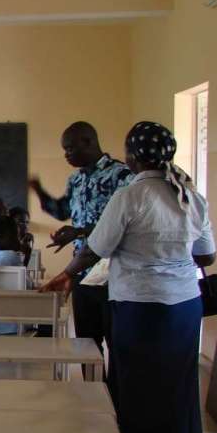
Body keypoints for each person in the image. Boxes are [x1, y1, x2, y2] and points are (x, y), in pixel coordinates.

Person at [41, 121, 216, 433]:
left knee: (133, 385)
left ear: (134, 156)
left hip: (139, 304)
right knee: (178, 384)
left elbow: (96, 248)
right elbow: (207, 254)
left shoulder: (131, 196)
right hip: (185, 307)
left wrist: (66, 274)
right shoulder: (189, 195)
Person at [29, 121, 132, 376]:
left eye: (70, 149)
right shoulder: (76, 179)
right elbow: (62, 211)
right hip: (82, 270)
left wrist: (81, 231)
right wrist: (39, 191)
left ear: (89, 141)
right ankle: (94, 392)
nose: (66, 155)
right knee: (87, 341)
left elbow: (127, 223)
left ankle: (116, 400)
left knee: (116, 340)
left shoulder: (120, 175)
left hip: (114, 271)